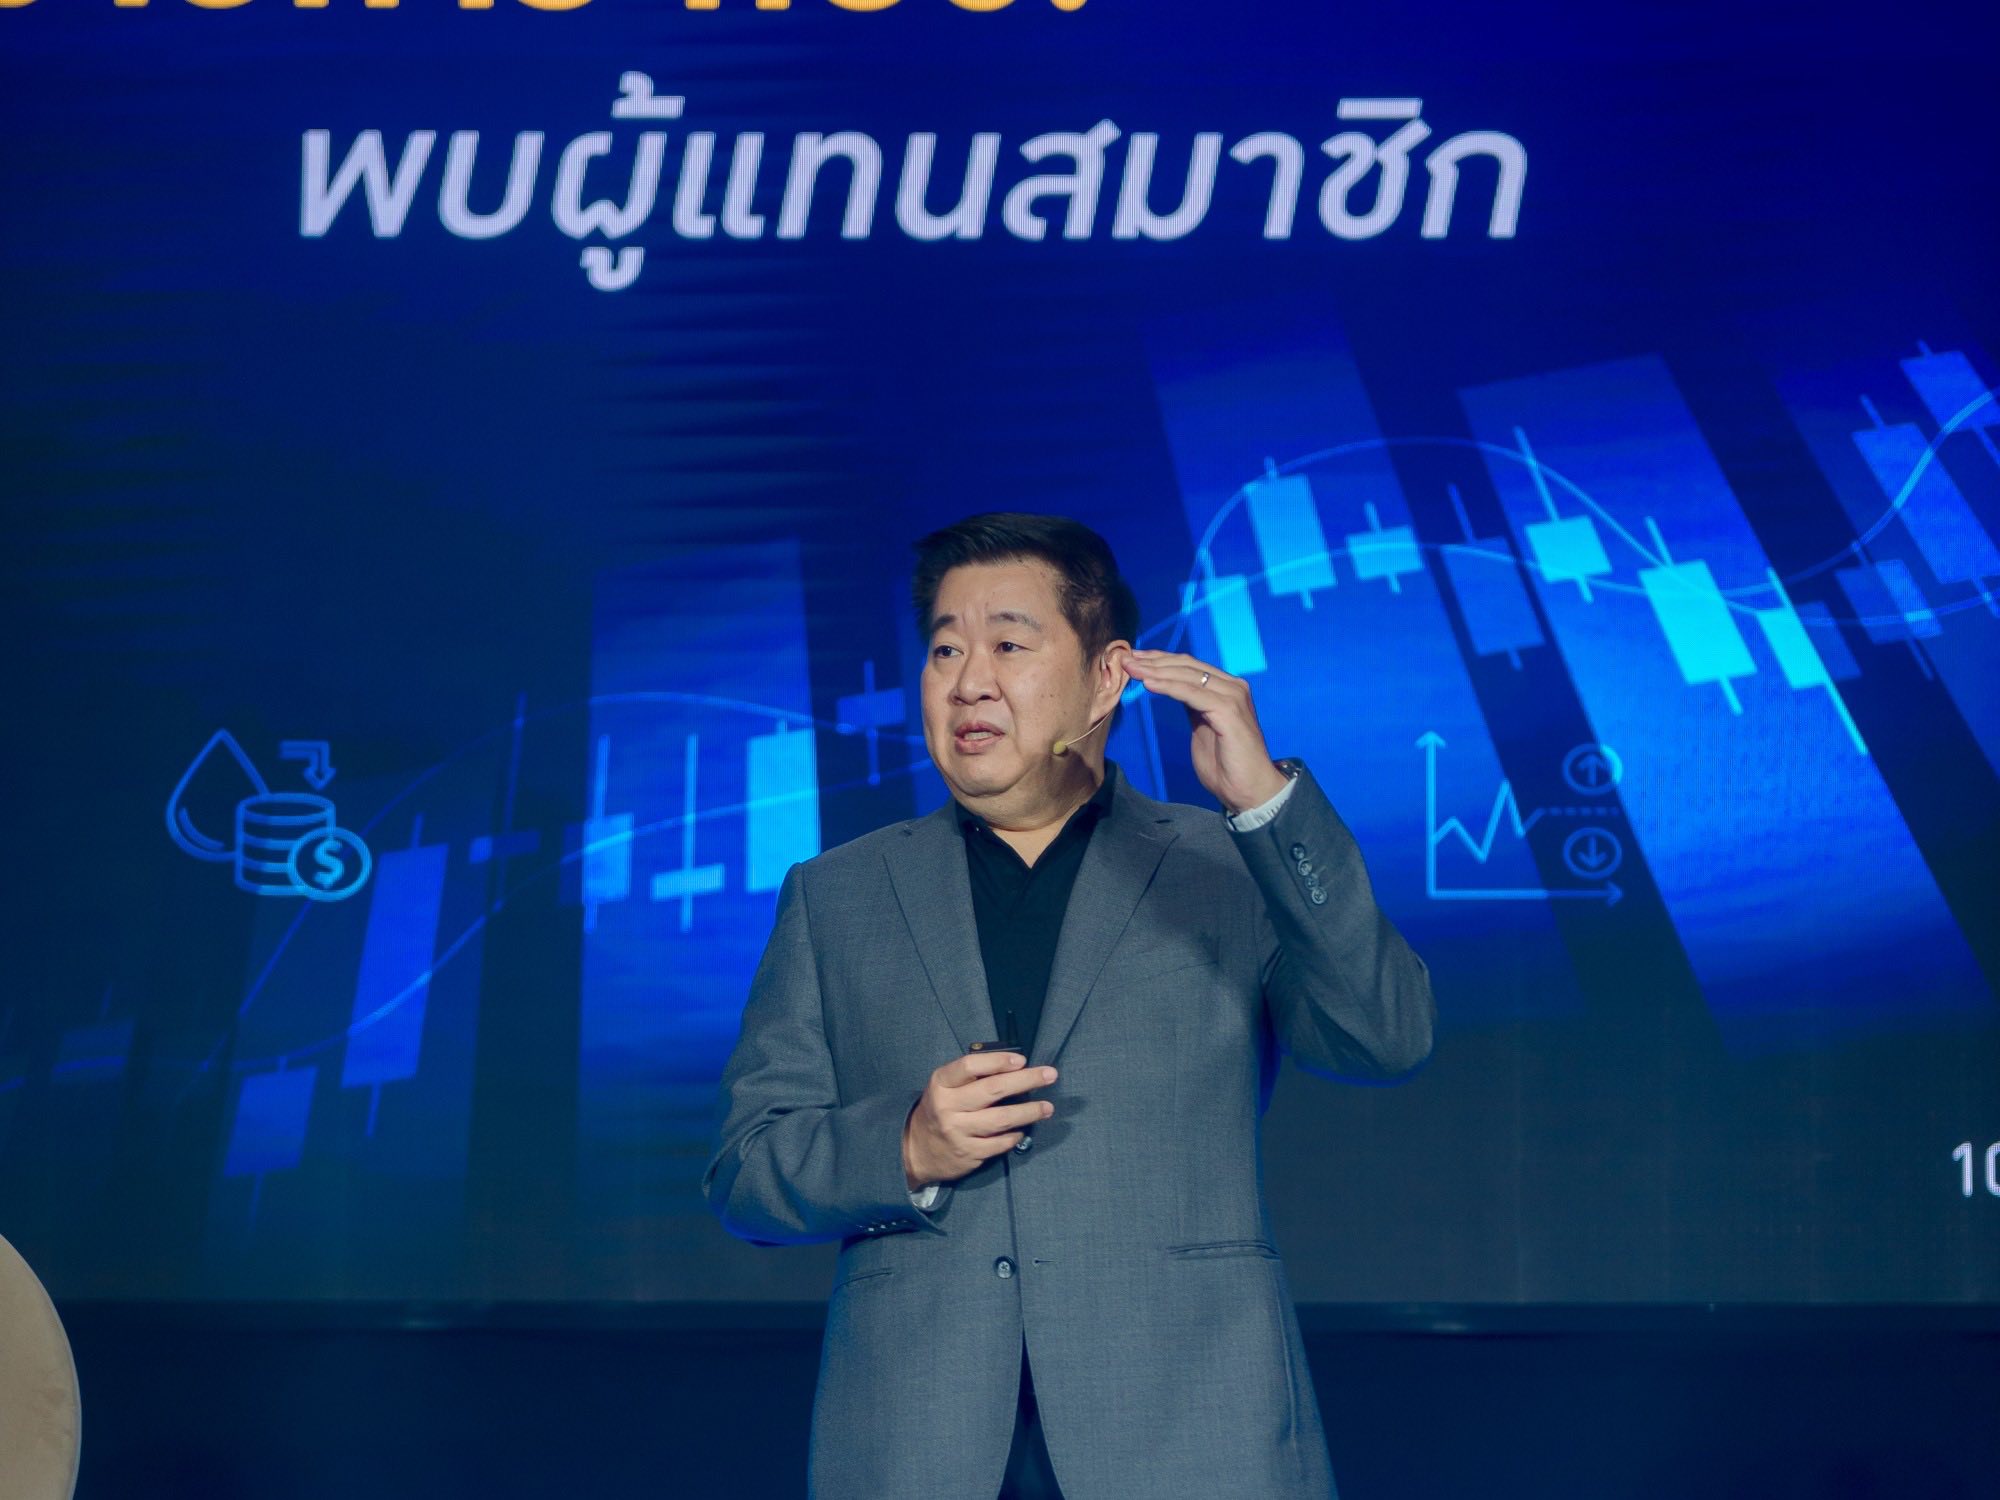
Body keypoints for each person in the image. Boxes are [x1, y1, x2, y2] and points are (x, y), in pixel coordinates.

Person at [702, 513, 1434, 1499]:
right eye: (945, 649)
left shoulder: (1227, 866)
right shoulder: (835, 895)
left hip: (1190, 1431)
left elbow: (1384, 1036)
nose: (968, 681)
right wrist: (906, 1146)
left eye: (1008, 645)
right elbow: (745, 1169)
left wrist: (1263, 804)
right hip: (917, 1443)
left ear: (1105, 678)